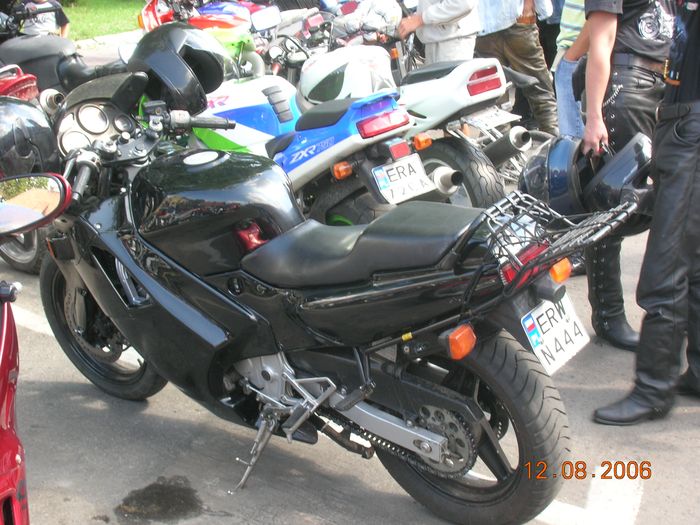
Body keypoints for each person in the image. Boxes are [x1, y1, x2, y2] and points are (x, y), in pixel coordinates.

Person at [594, 0, 700, 426]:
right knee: (692, 266)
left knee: (666, 270)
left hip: (691, 129)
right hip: (680, 119)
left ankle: (654, 388)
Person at [580, 0, 674, 351]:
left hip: (666, 86)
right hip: (627, 87)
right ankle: (608, 315)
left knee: (670, 201)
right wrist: (594, 116)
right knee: (612, 207)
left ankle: (667, 314)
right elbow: (600, 40)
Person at [474, 0, 559, 136]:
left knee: (494, 100)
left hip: (486, 25)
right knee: (540, 91)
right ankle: (556, 142)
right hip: (513, 19)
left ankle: (500, 145)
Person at [397, 0, 481, 64]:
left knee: (451, 82)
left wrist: (420, 19)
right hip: (440, 40)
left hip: (452, 42)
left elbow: (463, 3)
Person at [553, 0, 587, 138]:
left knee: (572, 139)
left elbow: (599, 18)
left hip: (577, 56)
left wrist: (572, 56)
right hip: (574, 53)